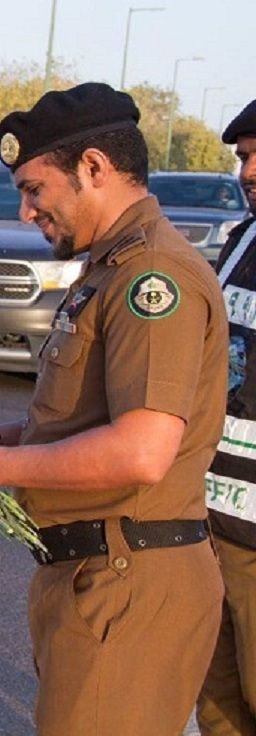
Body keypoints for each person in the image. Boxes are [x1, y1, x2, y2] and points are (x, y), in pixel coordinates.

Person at [0, 82, 228, 735]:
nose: (24, 212)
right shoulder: (111, 269)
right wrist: (3, 440)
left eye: (35, 189)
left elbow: (142, 450)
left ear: (94, 168)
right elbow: (96, 415)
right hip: (96, 576)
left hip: (127, 584)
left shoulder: (151, 277)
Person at [197, 98, 256, 736]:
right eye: (244, 156)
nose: (249, 170)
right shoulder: (241, 242)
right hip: (211, 518)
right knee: (217, 703)